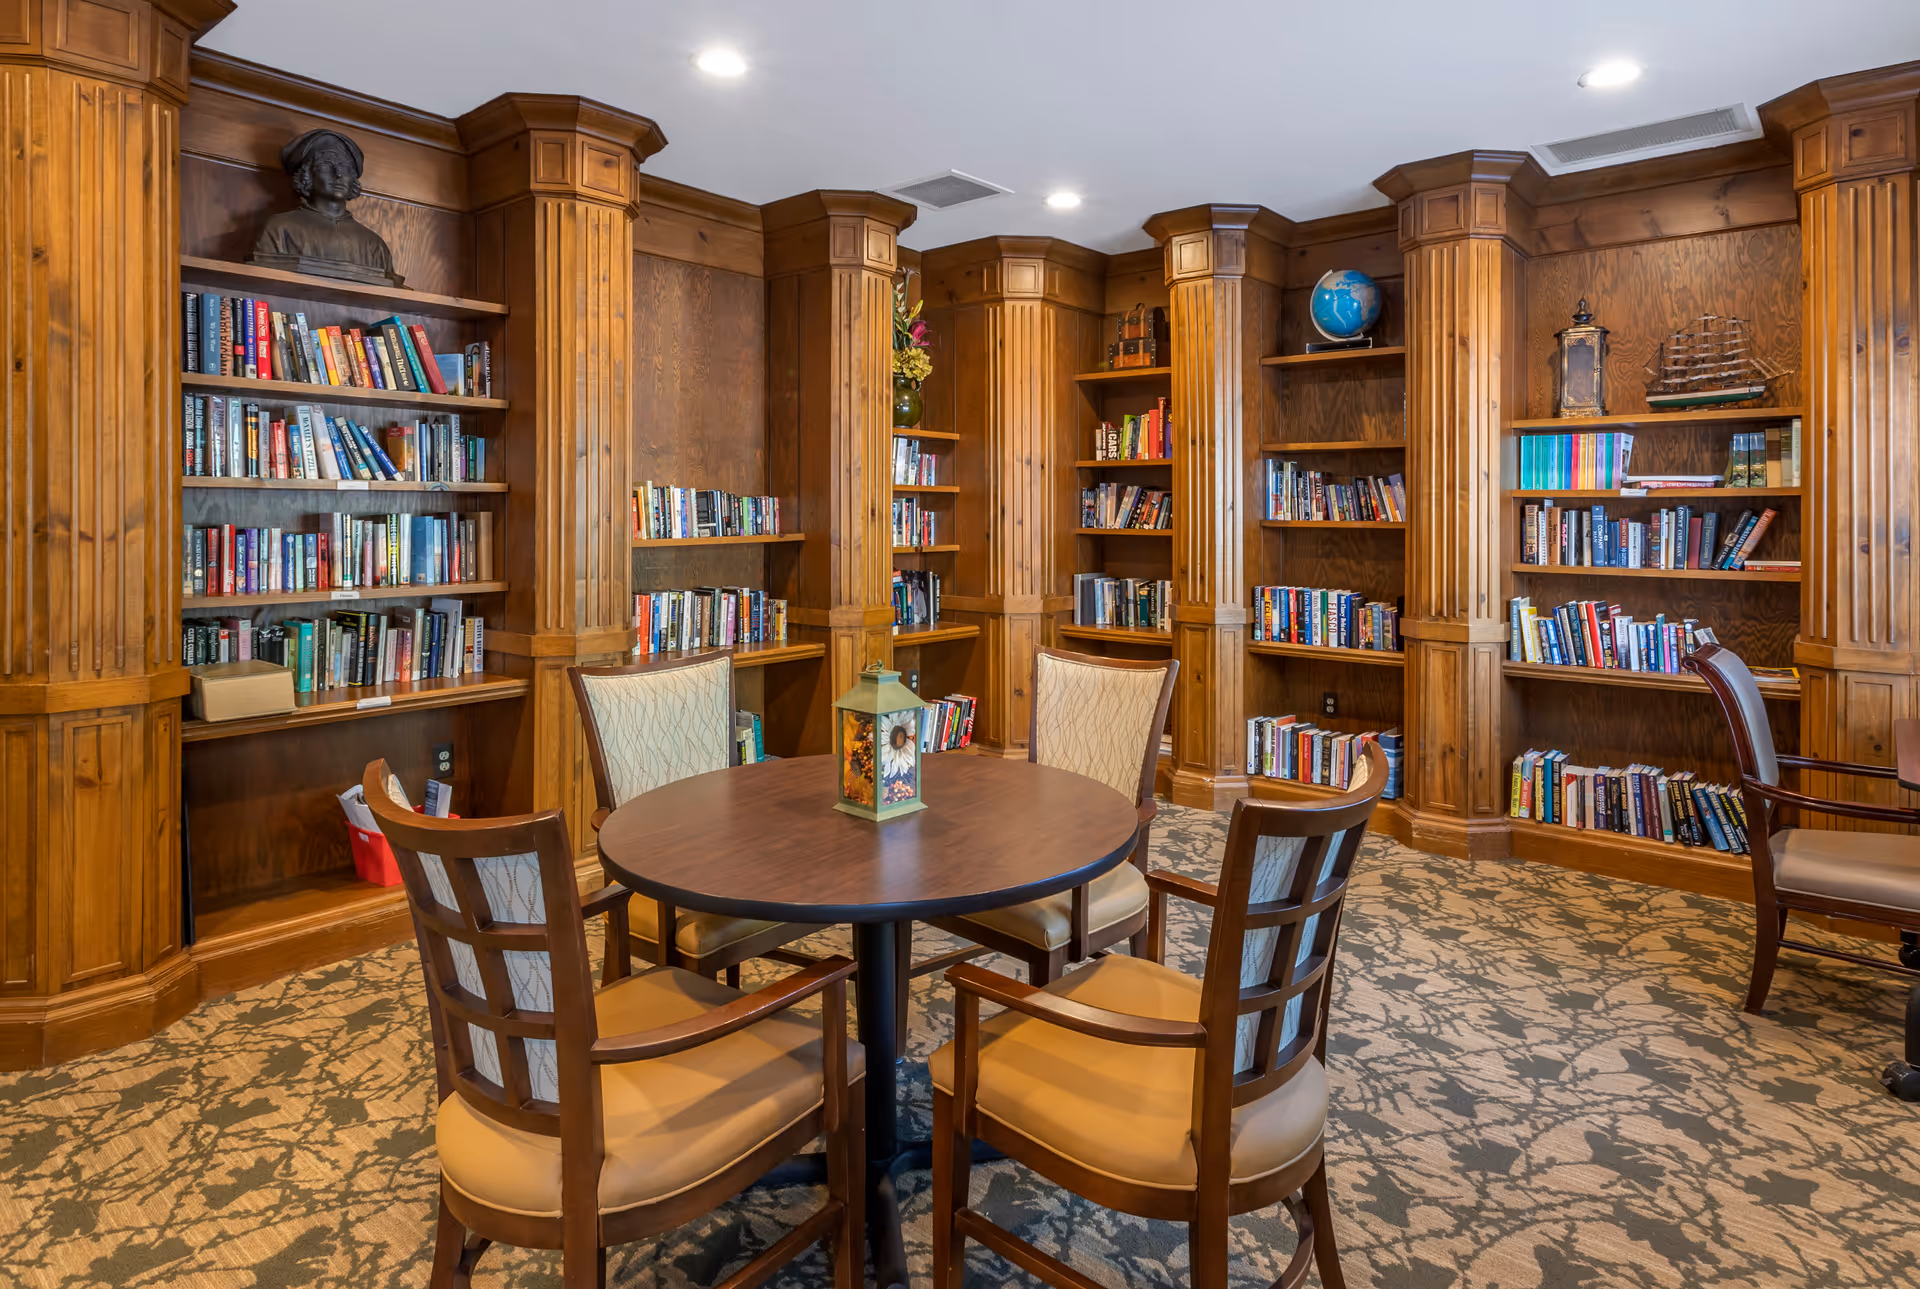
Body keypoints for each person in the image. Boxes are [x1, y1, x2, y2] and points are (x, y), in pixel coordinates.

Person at [251, 129, 404, 287]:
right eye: (325, 165)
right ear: (307, 175)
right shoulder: (280, 228)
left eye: (344, 167)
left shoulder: (373, 243)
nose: (337, 174)